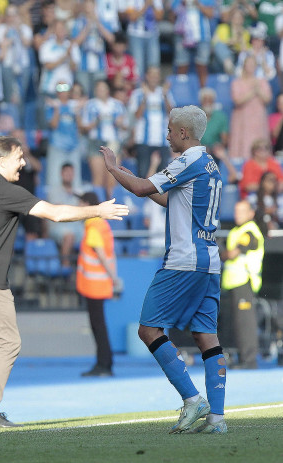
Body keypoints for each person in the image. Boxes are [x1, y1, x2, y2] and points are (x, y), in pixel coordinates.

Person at [0, 136, 129, 429]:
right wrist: (98, 211)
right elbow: (56, 213)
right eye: (19, 156)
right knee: (8, 343)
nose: (23, 162)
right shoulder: (3, 190)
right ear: (3, 158)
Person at [102, 105, 228, 434]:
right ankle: (217, 418)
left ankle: (191, 399)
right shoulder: (211, 164)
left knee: (149, 329)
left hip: (184, 259)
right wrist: (140, 183)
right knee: (205, 335)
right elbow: (173, 200)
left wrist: (115, 170)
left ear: (184, 133)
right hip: (210, 260)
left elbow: (145, 188)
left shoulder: (188, 160)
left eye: (171, 130)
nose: (167, 134)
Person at [76, 191, 121, 377]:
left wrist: (114, 278)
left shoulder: (92, 225)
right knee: (99, 325)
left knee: (98, 326)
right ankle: (105, 362)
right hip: (100, 284)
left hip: (94, 285)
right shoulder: (102, 225)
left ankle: (103, 364)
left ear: (88, 204)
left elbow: (101, 254)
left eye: (80, 204)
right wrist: (114, 277)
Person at [221, 200, 264, 369]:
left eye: (242, 211)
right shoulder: (237, 231)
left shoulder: (249, 232)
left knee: (246, 323)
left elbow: (232, 253)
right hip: (234, 282)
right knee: (238, 323)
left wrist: (223, 253)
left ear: (251, 213)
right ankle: (243, 358)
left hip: (244, 282)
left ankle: (249, 360)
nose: (237, 214)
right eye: (236, 211)